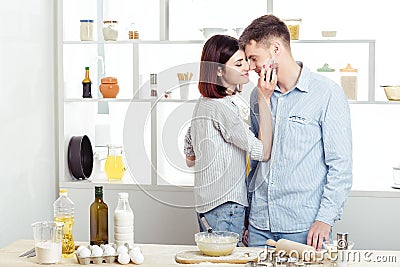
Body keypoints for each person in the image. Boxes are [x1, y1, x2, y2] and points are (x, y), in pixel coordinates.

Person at [238, 15, 353, 250]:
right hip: (260, 225)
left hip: (304, 227)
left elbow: (340, 165)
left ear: (276, 48)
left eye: (253, 58)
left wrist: (325, 218)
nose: (249, 67)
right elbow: (257, 158)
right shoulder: (256, 95)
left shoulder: (327, 93)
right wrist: (249, 216)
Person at [183, 34, 276, 240]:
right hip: (226, 206)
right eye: (239, 63)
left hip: (209, 205)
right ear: (218, 70)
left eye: (247, 61)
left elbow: (189, 150)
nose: (247, 68)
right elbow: (263, 152)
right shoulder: (222, 107)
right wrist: (265, 99)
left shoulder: (205, 102)